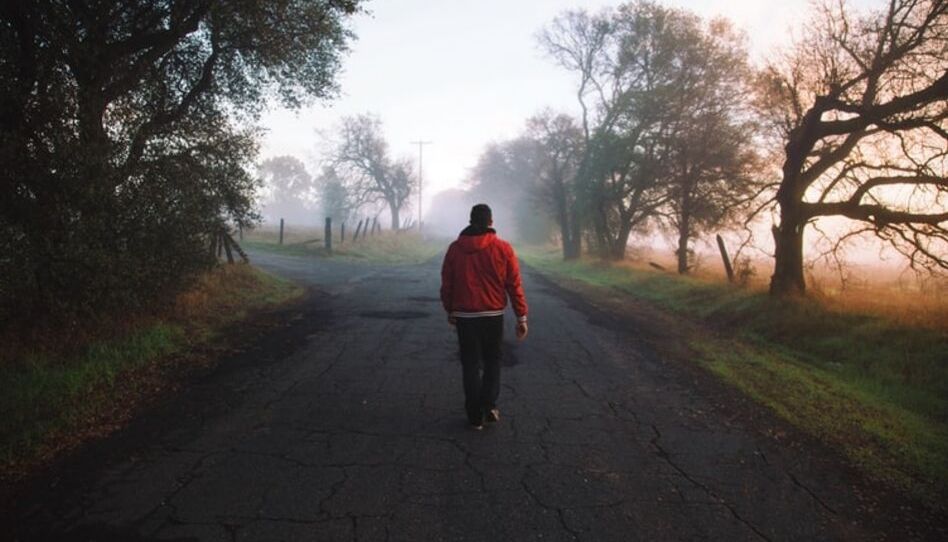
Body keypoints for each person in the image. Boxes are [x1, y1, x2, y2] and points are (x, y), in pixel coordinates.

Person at [440, 204, 528, 430]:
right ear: (491, 222)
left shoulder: (454, 249)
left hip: (464, 315)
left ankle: (474, 416)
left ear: (470, 220)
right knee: (492, 361)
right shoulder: (503, 249)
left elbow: (447, 283)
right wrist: (521, 317)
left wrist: (450, 309)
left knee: (470, 364)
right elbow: (513, 284)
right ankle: (489, 405)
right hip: (493, 314)